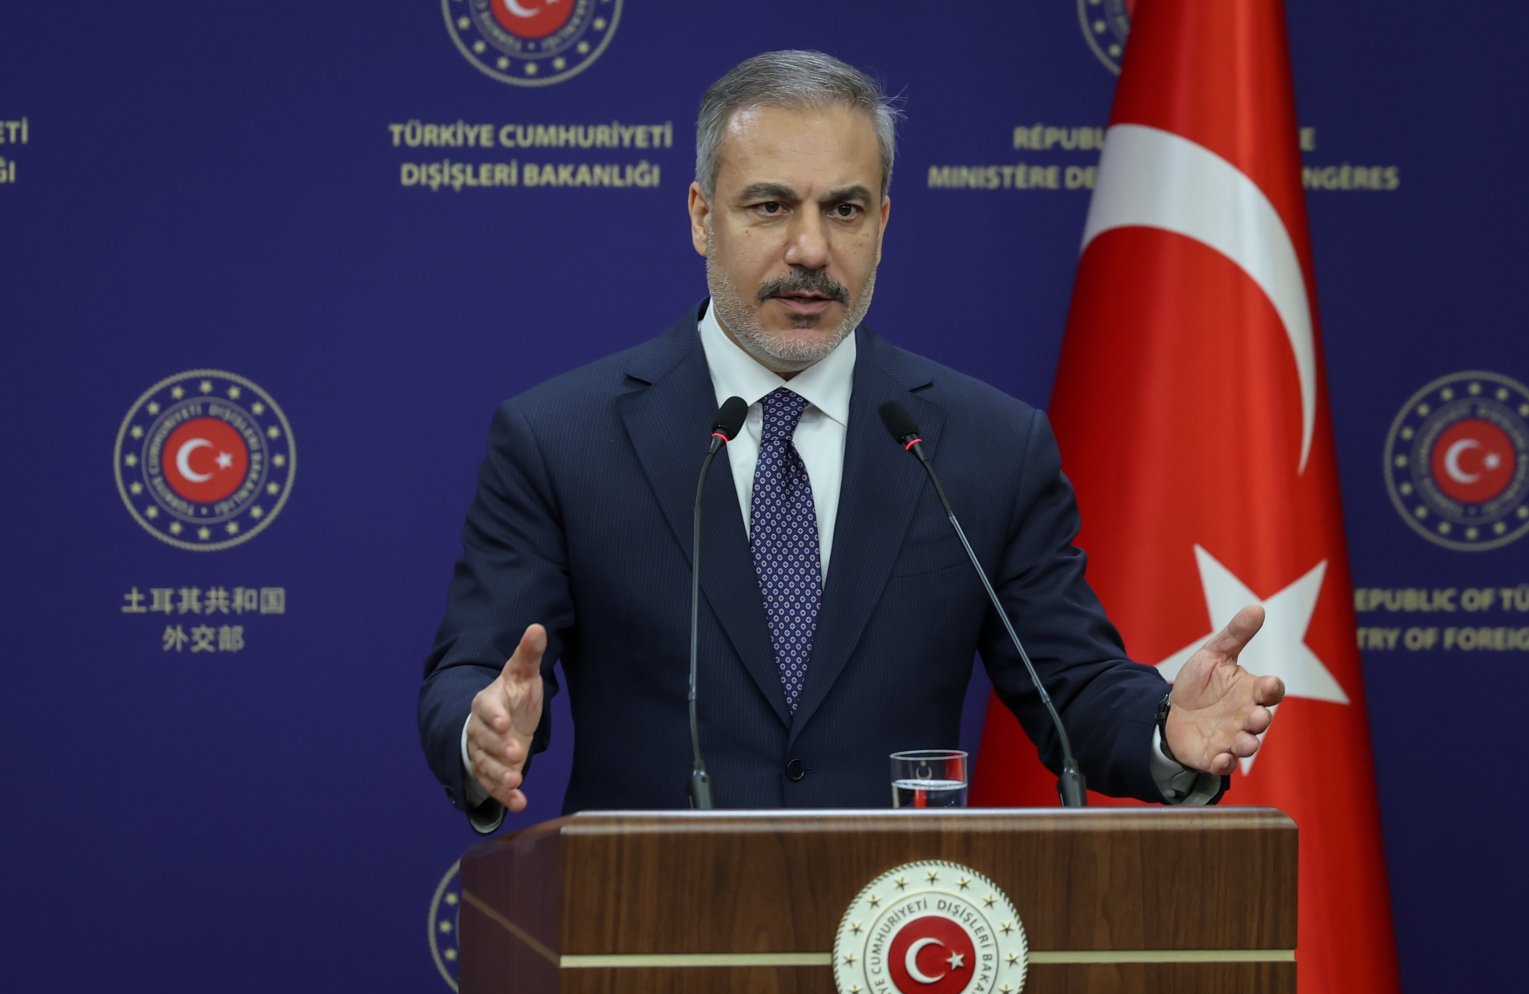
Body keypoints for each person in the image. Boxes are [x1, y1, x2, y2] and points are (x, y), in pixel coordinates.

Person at [419, 50, 1282, 832]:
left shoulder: (985, 446)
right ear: (700, 218)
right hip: (653, 948)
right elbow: (475, 670)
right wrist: (482, 732)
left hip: (909, 956)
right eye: (769, 206)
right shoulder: (562, 439)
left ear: (884, 222)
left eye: (845, 209)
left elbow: (1074, 687)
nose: (810, 248)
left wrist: (1167, 728)